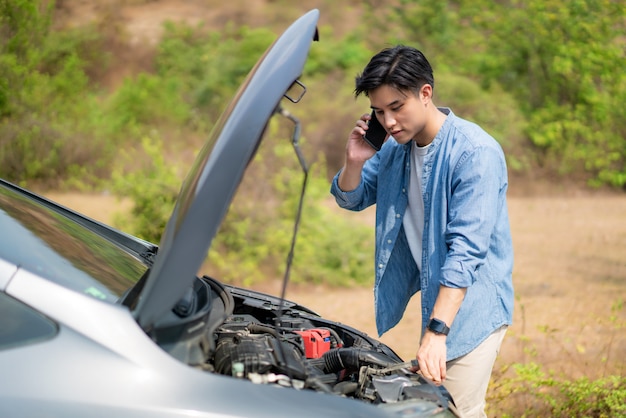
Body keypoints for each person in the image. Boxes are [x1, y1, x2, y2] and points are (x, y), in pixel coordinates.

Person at [330, 45, 514, 417]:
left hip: (470, 306)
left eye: (397, 107)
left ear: (425, 93)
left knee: (453, 411)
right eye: (379, 111)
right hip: (437, 305)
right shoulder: (394, 148)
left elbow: (466, 252)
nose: (389, 121)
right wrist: (354, 161)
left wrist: (437, 333)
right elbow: (351, 198)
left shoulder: (475, 152)